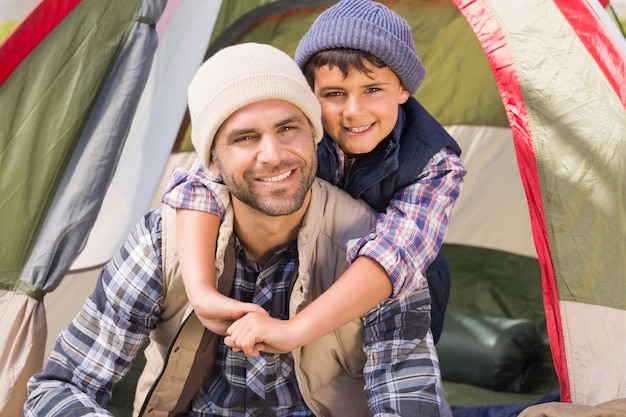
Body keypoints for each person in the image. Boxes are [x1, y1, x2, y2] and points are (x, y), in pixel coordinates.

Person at [25, 43, 451, 416]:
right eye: (245, 137)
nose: (273, 155)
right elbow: (59, 388)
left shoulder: (375, 249)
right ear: (212, 161)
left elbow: (408, 394)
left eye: (288, 128)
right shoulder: (163, 242)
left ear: (315, 136)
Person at [162, 0, 466, 354]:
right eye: (334, 94)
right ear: (309, 94)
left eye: (372, 90)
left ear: (402, 89)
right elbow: (201, 182)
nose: (354, 112)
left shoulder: (435, 162)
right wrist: (201, 293)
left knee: (379, 372)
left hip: (388, 295)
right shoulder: (296, 133)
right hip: (304, 271)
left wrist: (295, 331)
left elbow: (394, 254)